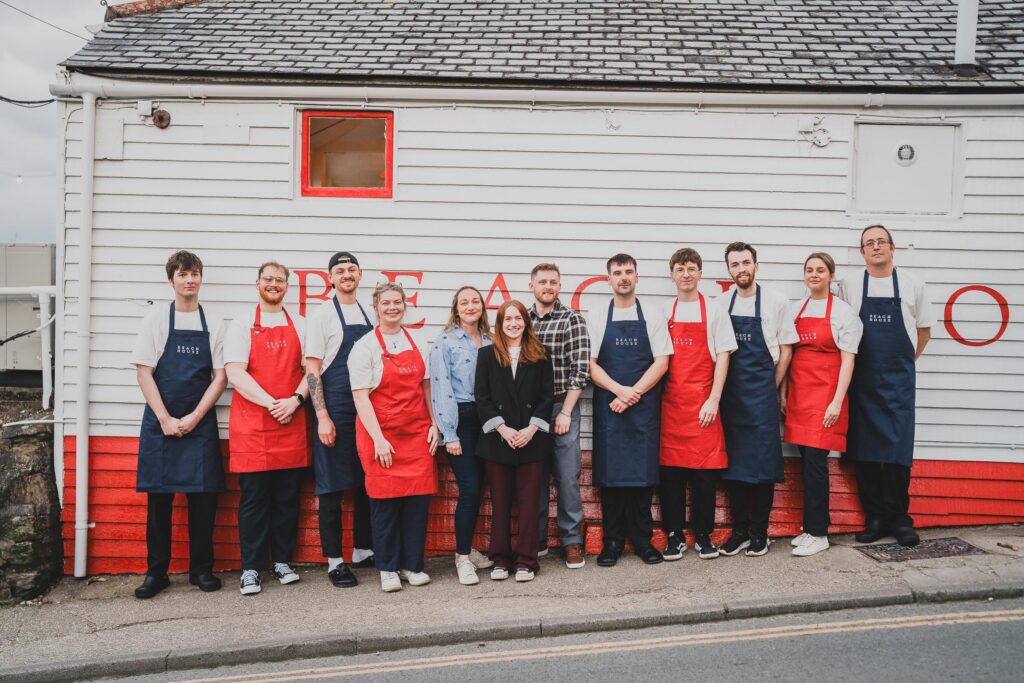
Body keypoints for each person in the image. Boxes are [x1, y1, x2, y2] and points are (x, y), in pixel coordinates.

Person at [130, 250, 226, 599]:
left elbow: (220, 377)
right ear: (171, 279)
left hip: (199, 422)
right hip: (161, 423)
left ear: (201, 278)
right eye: (183, 274)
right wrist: (165, 418)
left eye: (195, 273)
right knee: (159, 503)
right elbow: (144, 373)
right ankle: (156, 573)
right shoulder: (156, 319)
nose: (190, 280)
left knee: (203, 501)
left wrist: (194, 417)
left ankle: (202, 570)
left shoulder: (213, 322)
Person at [843, 225, 934, 547]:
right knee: (865, 452)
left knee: (897, 453)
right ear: (862, 252)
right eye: (870, 243)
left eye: (881, 241)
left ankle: (899, 519)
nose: (876, 247)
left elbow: (923, 332)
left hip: (898, 383)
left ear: (893, 248)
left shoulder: (913, 285)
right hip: (862, 381)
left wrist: (904, 363)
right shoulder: (851, 284)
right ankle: (875, 517)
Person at [225, 261, 310, 594]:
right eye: (268, 279)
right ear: (257, 283)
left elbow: (310, 371)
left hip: (292, 420)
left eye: (279, 280)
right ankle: (251, 568)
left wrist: (294, 401)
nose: (273, 284)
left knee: (288, 498)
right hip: (253, 426)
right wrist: (272, 403)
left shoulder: (301, 324)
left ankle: (282, 561)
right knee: (254, 500)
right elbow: (235, 372)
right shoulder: (242, 324)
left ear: (287, 286)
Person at [349, 282, 439, 592]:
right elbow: (361, 398)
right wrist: (378, 439)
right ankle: (387, 567)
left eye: (397, 302)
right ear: (376, 308)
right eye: (385, 303)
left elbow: (426, 388)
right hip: (380, 434)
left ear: (405, 306)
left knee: (416, 502)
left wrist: (435, 424)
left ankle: (411, 565)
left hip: (416, 433)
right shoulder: (365, 347)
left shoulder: (417, 340)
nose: (392, 307)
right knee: (384, 503)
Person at [589, 254, 672, 567]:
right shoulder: (597, 314)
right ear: (609, 279)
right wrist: (619, 391)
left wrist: (633, 394)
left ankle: (643, 542)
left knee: (642, 478)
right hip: (610, 406)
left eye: (628, 272)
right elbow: (590, 365)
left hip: (643, 406)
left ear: (637, 277)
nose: (623, 277)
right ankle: (611, 543)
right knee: (611, 479)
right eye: (617, 273)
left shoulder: (652, 313)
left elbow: (662, 361)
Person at [718, 242, 797, 558]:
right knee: (735, 467)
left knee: (762, 467)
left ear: (756, 266)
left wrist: (772, 387)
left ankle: (760, 533)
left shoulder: (776, 301)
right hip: (731, 398)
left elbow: (787, 349)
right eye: (735, 264)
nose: (741, 269)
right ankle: (738, 531)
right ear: (729, 271)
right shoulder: (721, 303)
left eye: (745, 263)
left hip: (762, 396)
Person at [781, 253, 861, 557]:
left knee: (816, 463)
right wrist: (785, 393)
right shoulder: (796, 310)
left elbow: (848, 359)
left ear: (831, 276)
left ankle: (819, 533)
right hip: (800, 396)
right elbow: (788, 355)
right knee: (806, 462)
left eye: (820, 270)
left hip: (826, 397)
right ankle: (809, 527)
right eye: (809, 270)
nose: (814, 275)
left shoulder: (842, 312)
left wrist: (837, 402)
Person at [658, 248, 736, 561]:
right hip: (670, 405)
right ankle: (674, 536)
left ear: (700, 273)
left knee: (705, 476)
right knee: (671, 476)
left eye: (691, 268)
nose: (686, 274)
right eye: (680, 269)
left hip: (704, 404)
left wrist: (714, 399)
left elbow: (724, 356)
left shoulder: (715, 311)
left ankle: (704, 535)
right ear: (672, 275)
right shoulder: (665, 311)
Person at [305, 251, 374, 588]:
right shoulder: (321, 316)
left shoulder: (368, 312)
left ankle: (362, 549)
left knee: (366, 483)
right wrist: (321, 416)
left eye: (352, 269)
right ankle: (335, 561)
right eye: (340, 270)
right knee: (331, 487)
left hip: (366, 411)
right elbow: (313, 369)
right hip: (334, 408)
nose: (347, 274)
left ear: (359, 275)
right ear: (330, 278)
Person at [475, 300, 554, 582]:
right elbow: (481, 397)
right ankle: (499, 559)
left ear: (525, 322)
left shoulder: (541, 354)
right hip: (498, 442)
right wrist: (503, 429)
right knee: (501, 502)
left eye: (518, 319)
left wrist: (531, 429)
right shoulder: (486, 355)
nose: (513, 324)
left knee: (530, 503)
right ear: (499, 323)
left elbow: (547, 397)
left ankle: (526, 561)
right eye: (507, 319)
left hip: (532, 441)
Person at [429, 286, 495, 585]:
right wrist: (449, 433)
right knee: (469, 489)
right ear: (456, 309)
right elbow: (440, 389)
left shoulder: (493, 340)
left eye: (475, 301)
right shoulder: (445, 342)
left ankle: (471, 548)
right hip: (463, 419)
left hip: (490, 419)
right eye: (464, 302)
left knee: (481, 488)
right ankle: (462, 557)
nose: (470, 306)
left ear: (482, 306)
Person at [528, 263, 591, 570]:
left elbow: (581, 370)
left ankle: (571, 541)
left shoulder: (572, 320)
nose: (548, 286)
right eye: (543, 281)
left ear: (559, 286)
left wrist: (565, 410)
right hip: (528, 413)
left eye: (553, 281)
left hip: (560, 406)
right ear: (532, 286)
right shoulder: (521, 321)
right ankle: (536, 538)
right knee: (534, 477)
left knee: (567, 477)